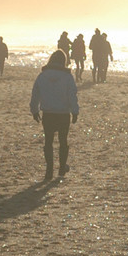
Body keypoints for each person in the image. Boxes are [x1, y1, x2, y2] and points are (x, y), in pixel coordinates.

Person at [30, 49, 79, 181]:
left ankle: (49, 169)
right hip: (63, 113)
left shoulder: (42, 76)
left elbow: (35, 94)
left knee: (48, 142)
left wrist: (34, 110)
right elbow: (72, 95)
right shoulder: (67, 77)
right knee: (63, 141)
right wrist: (75, 111)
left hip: (48, 113)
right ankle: (62, 168)